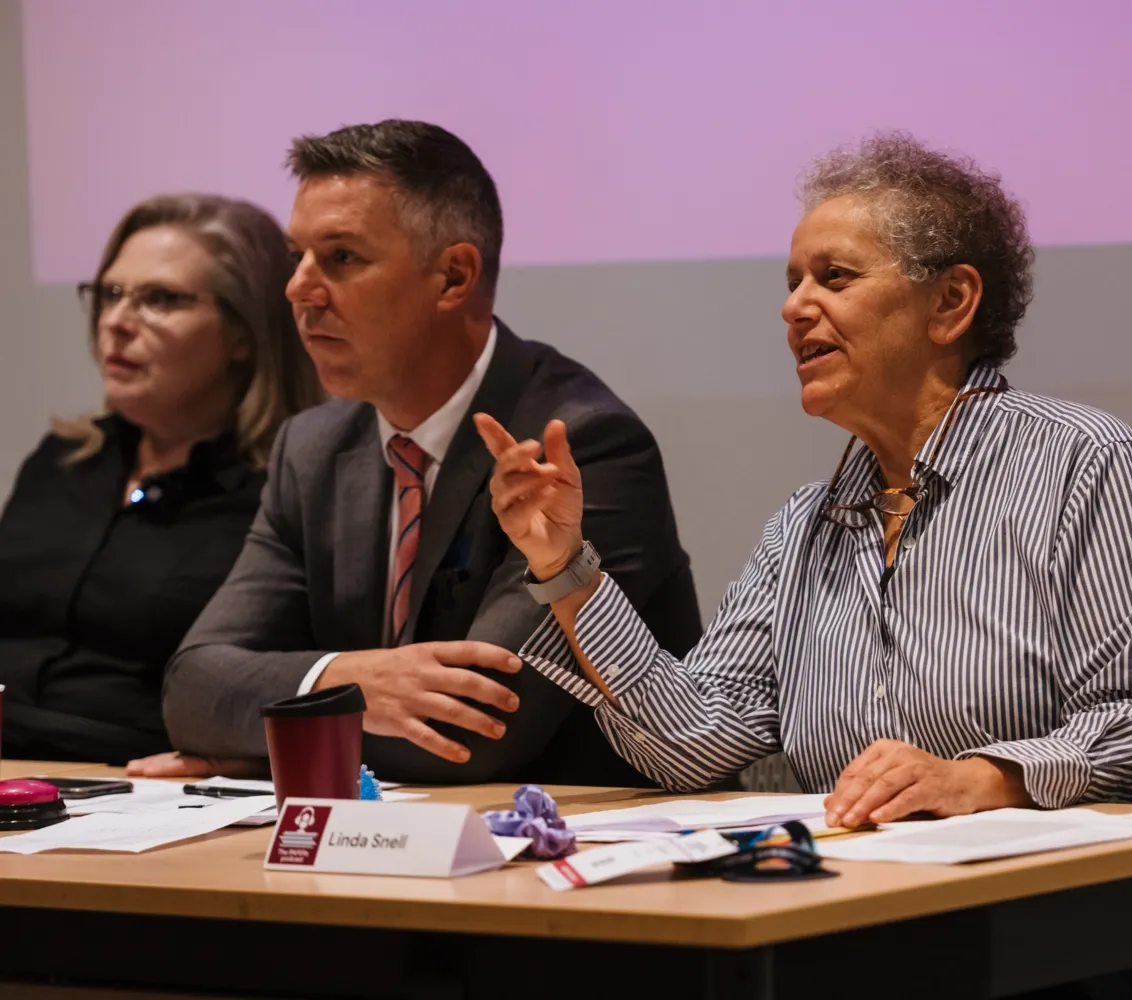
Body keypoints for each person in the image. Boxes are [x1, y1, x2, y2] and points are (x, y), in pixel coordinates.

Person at [477, 133, 1132, 827]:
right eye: (791, 282)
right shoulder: (805, 525)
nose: (793, 308)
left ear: (949, 302)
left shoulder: (1089, 465)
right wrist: (565, 569)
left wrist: (978, 779)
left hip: (1106, 919)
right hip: (886, 908)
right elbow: (693, 743)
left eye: (834, 277)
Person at [136, 120, 700, 786]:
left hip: (572, 858)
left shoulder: (580, 448)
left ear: (453, 277)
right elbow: (193, 689)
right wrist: (351, 680)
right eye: (298, 256)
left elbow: (472, 728)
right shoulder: (313, 450)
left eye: (341, 258)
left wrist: (266, 735)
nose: (298, 290)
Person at [0, 194, 323, 764]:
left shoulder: (282, 491)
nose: (117, 322)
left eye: (160, 300)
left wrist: (236, 753)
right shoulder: (61, 462)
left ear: (242, 333)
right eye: (112, 294)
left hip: (140, 786)